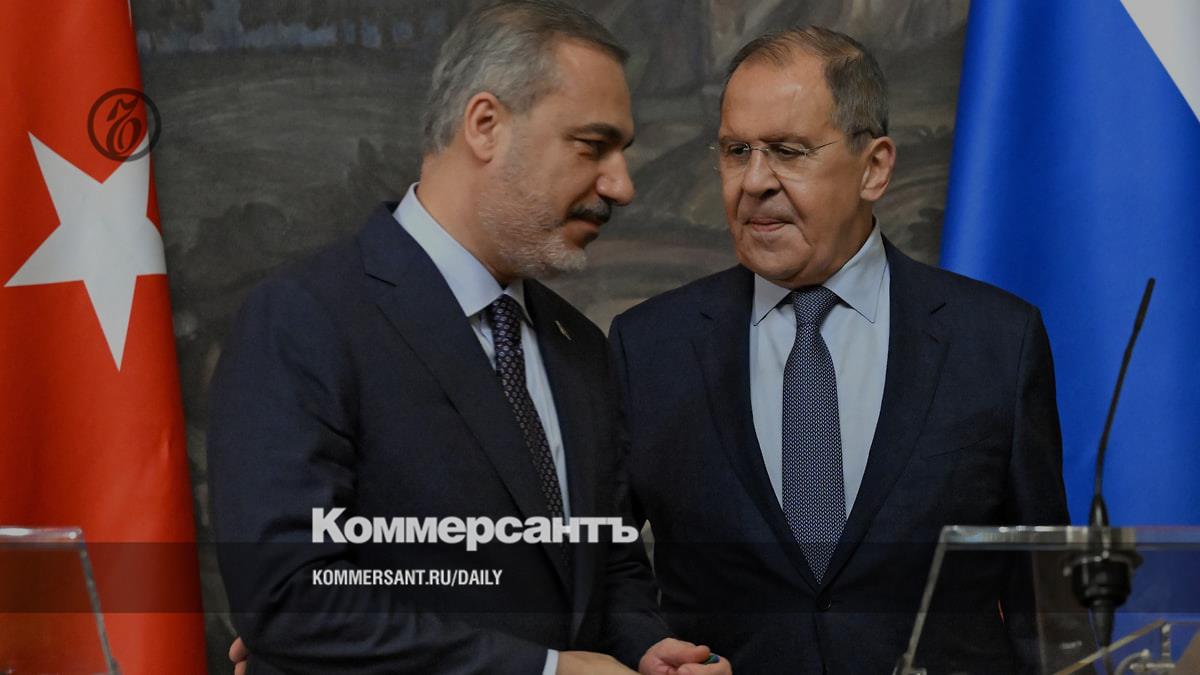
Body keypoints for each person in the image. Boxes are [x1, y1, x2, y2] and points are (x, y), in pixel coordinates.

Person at [207, 2, 731, 674]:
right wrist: (546, 670)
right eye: (592, 145)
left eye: (622, 152)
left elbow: (605, 564)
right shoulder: (304, 318)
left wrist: (646, 648)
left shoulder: (578, 345)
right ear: (486, 125)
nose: (621, 185)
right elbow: (289, 600)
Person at [608, 26, 1070, 673]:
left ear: (874, 167)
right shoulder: (649, 345)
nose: (754, 180)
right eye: (737, 151)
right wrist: (643, 644)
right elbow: (608, 560)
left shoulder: (995, 340)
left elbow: (1045, 600)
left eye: (788, 151)